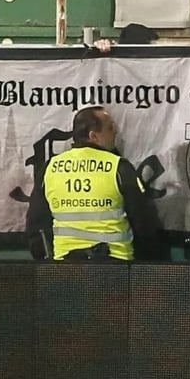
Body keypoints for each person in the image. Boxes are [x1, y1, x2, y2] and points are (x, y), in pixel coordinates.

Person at [26, 106, 163, 262]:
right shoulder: (119, 167)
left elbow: (36, 224)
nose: (115, 132)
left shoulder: (50, 168)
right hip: (115, 266)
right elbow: (143, 222)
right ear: (93, 136)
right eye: (110, 128)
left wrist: (47, 264)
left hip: (66, 267)